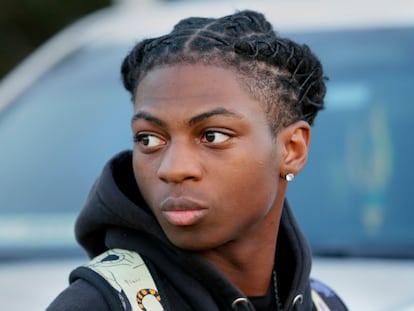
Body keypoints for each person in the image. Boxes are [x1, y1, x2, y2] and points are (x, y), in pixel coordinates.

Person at [47, 9, 348, 311]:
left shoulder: (325, 305)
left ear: (291, 150)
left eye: (213, 136)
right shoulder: (95, 305)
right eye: (149, 139)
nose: (173, 169)